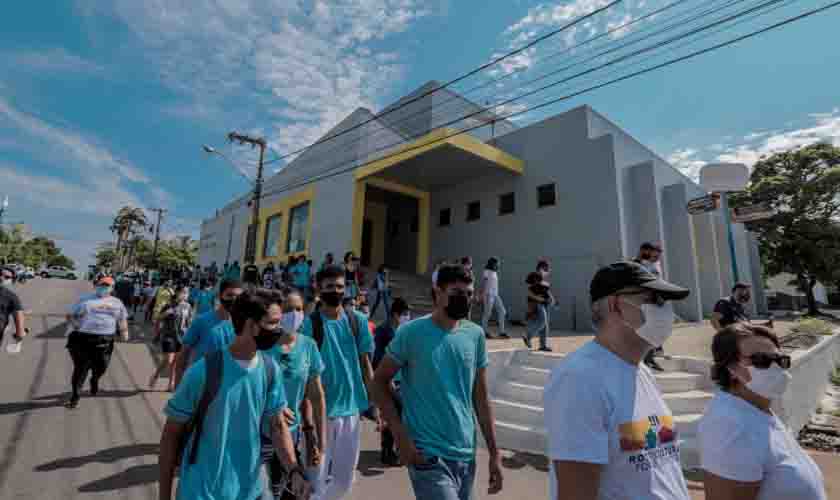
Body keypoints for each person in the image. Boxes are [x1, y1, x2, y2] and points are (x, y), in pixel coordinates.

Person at [543, 261, 691, 500]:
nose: (665, 310)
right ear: (615, 305)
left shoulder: (641, 371)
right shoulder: (580, 378)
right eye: (655, 299)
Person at [158, 289, 310, 500]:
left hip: (251, 491)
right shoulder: (203, 372)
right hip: (202, 492)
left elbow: (277, 426)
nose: (280, 329)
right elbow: (171, 435)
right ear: (250, 325)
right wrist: (164, 495)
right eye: (273, 323)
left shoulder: (270, 369)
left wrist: (293, 468)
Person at [373, 264, 503, 500]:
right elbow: (379, 382)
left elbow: (481, 398)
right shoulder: (411, 333)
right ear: (438, 292)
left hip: (466, 454)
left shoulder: (475, 335)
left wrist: (494, 453)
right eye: (456, 293)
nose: (464, 299)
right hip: (428, 455)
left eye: (469, 294)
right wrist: (400, 436)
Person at [699, 324, 826, 500]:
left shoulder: (759, 409)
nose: (775, 368)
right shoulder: (731, 425)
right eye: (761, 360)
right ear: (731, 368)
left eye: (780, 360)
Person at [301, 264, 377, 500]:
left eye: (340, 287)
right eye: (329, 286)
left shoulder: (358, 321)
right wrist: (307, 423)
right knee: (315, 481)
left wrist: (377, 405)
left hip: (351, 411)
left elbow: (366, 364)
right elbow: (303, 376)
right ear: (318, 288)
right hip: (320, 413)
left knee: (344, 482)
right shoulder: (309, 325)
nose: (335, 291)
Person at [264, 290, 327, 499]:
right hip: (259, 436)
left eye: (298, 309)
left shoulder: (308, 346)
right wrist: (274, 406)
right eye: (288, 309)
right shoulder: (262, 345)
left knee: (296, 493)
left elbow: (314, 397)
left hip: (291, 436)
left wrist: (316, 439)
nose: (294, 314)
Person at [65, 276, 129, 409]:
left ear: (112, 288)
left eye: (107, 286)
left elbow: (122, 319)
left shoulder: (117, 303)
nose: (104, 288)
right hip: (82, 338)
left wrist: (124, 332)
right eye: (102, 285)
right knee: (80, 368)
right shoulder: (84, 300)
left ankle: (94, 378)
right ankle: (75, 397)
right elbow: (70, 315)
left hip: (105, 340)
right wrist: (76, 325)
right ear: (96, 285)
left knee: (102, 366)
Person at [174, 279, 244, 387]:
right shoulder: (201, 321)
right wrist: (177, 391)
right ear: (220, 296)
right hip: (200, 387)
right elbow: (182, 358)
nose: (234, 299)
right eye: (230, 295)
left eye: (238, 297)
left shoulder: (244, 326)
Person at [372, 297, 410, 466]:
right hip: (388, 380)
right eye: (404, 314)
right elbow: (378, 358)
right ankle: (387, 451)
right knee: (391, 413)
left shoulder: (403, 330)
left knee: (399, 414)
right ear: (395, 314)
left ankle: (394, 448)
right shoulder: (384, 331)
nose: (407, 317)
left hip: (402, 379)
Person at [150, 287, 193, 392]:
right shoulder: (168, 305)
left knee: (176, 362)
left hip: (181, 337)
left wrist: (190, 334)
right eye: (182, 292)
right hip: (168, 336)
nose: (184, 295)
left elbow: (189, 322)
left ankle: (171, 384)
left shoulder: (188, 306)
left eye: (186, 293)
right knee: (169, 359)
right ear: (177, 293)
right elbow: (158, 319)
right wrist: (165, 314)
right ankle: (155, 376)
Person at [633, 242, 667, 371]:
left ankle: (650, 358)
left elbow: (659, 282)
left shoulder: (656, 265)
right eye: (655, 254)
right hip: (643, 301)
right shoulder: (639, 264)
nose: (658, 257)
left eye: (659, 255)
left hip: (656, 301)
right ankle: (644, 359)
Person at [524, 263, 554, 351]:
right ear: (541, 268)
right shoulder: (534, 277)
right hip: (537, 304)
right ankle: (528, 336)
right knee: (542, 322)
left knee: (545, 326)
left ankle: (543, 345)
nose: (547, 271)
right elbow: (529, 292)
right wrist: (539, 299)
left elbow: (547, 292)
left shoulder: (543, 281)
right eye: (546, 269)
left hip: (544, 304)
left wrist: (552, 299)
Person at [480, 257, 508, 339]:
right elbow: (483, 283)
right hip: (488, 295)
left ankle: (502, 332)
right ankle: (484, 332)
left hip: (495, 295)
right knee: (487, 314)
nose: (498, 264)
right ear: (493, 263)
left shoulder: (494, 272)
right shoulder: (487, 271)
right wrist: (481, 294)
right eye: (497, 263)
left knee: (502, 311)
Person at [0, 266, 26, 349]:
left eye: (6, 277)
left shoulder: (12, 298)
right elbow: (19, 316)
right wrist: (19, 335)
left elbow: (19, 315)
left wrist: (20, 333)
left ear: (12, 281)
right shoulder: (12, 297)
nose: (1, 278)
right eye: (0, 274)